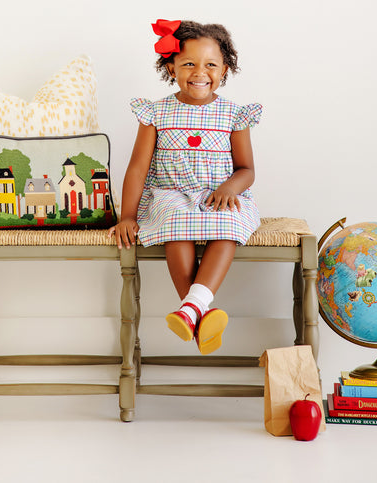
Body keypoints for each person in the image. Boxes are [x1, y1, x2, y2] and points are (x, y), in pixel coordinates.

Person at [108, 19, 262, 355]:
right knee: (175, 220)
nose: (199, 73)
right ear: (171, 67)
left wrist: (230, 188)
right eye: (189, 64)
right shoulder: (156, 113)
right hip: (171, 194)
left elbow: (247, 170)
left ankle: (191, 308)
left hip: (219, 195)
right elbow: (138, 168)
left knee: (229, 222)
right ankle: (197, 311)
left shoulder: (234, 115)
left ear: (225, 69)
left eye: (211, 65)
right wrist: (127, 216)